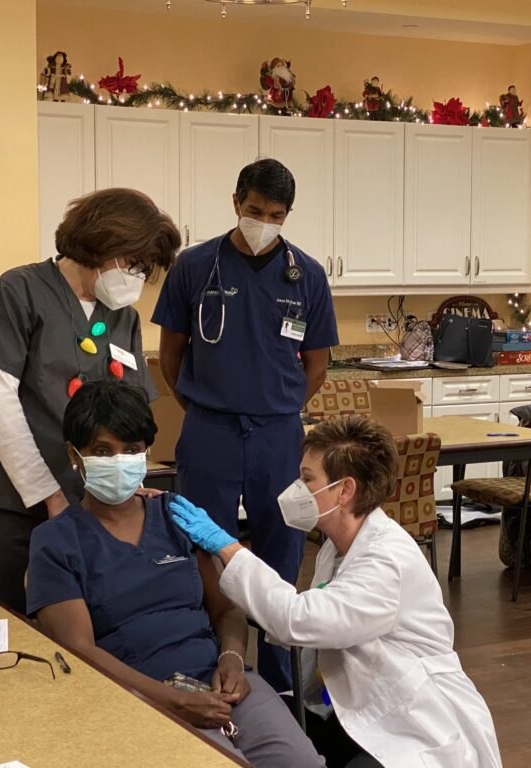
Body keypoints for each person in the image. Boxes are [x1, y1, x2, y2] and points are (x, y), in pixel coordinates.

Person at [169, 415, 503, 768]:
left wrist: (227, 548)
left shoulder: (385, 560)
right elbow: (308, 619)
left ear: (345, 490)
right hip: (353, 703)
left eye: (306, 479)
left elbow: (299, 619)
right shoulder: (340, 544)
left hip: (413, 722)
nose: (296, 487)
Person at [26, 380, 324, 768]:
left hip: (220, 680)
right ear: (74, 455)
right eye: (102, 451)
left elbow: (225, 609)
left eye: (131, 450)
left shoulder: (176, 517)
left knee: (303, 763)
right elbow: (79, 651)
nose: (119, 461)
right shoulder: (56, 542)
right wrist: (172, 701)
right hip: (135, 694)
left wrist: (232, 659)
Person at [152, 158, 338, 692]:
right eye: (255, 210)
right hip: (210, 429)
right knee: (205, 547)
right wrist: (204, 407)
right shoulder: (194, 266)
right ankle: (210, 662)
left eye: (276, 214)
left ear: (288, 214)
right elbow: (171, 355)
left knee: (280, 551)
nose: (264, 221)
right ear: (236, 203)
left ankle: (280, 681)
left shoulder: (306, 275)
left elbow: (317, 363)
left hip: (279, 434)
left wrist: (278, 407)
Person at [0, 188, 181, 614]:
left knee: (75, 632)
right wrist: (50, 495)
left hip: (86, 502)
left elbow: (129, 414)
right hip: (3, 501)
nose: (136, 277)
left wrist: (130, 480)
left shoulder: (122, 317)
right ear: (103, 243)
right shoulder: (18, 292)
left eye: (144, 269)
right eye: (133, 263)